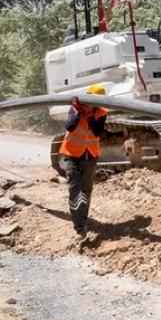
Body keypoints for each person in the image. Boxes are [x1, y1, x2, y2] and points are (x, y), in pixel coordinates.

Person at [55, 84, 109, 243]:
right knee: (74, 188)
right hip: (72, 154)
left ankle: (83, 220)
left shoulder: (101, 113)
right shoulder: (75, 108)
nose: (92, 105)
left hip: (90, 155)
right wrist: (78, 111)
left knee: (86, 189)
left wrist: (92, 115)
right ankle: (78, 226)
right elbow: (70, 126)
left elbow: (97, 131)